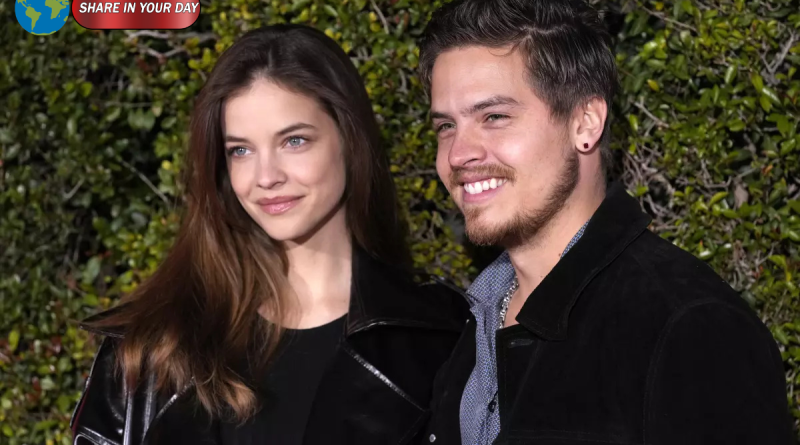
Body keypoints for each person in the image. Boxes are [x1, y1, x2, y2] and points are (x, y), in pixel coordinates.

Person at [70, 24, 468, 445]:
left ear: (349, 140)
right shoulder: (151, 347)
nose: (266, 177)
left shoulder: (438, 334)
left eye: (294, 141)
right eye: (240, 150)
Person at [417, 0, 795, 444]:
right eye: (446, 127)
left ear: (585, 123)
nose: (459, 154)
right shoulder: (475, 320)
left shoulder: (687, 327)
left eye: (494, 117)